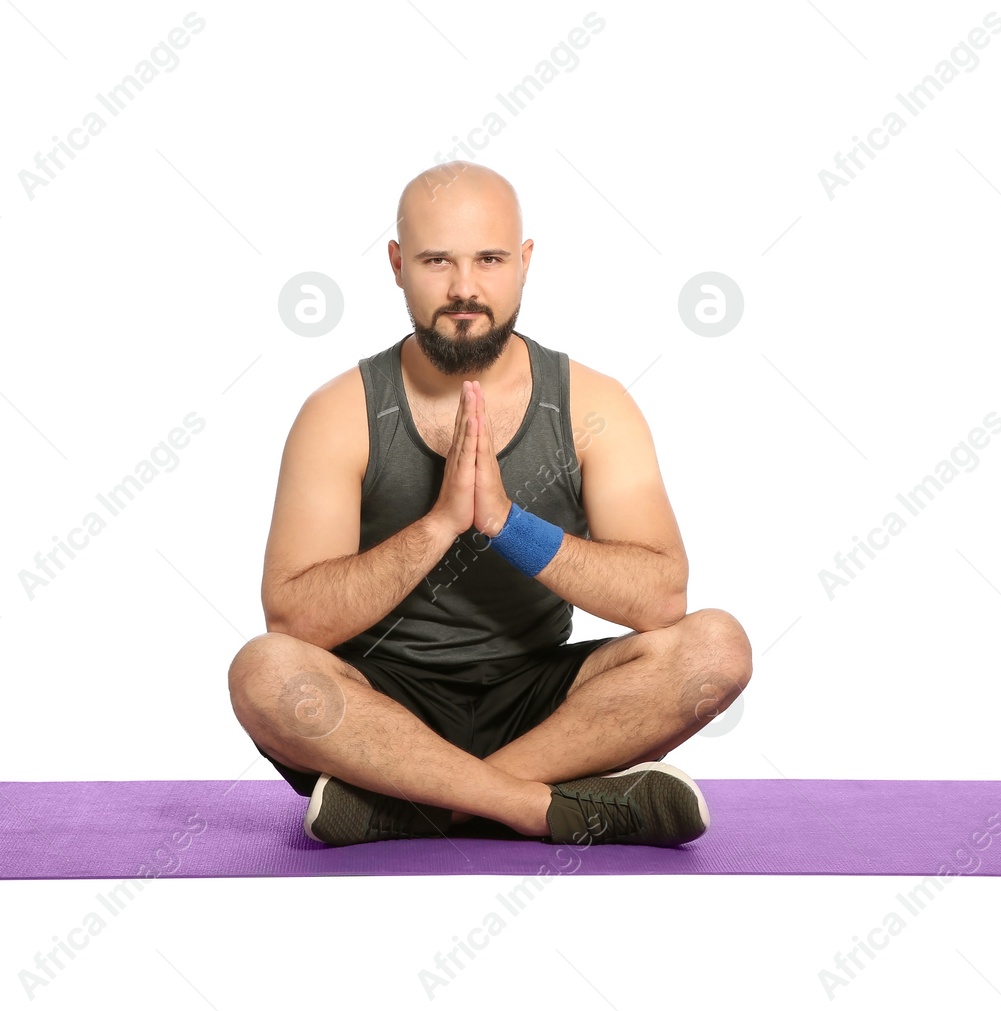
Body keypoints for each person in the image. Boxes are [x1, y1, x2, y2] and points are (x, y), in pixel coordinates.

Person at [228, 160, 752, 848]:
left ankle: (420, 805)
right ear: (396, 264)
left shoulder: (596, 405)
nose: (465, 287)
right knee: (262, 669)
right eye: (437, 260)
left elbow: (661, 600)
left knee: (717, 647)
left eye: (490, 259)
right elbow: (293, 618)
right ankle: (534, 807)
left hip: (544, 709)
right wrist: (442, 523)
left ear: (525, 263)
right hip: (381, 708)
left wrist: (508, 523)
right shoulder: (339, 413)